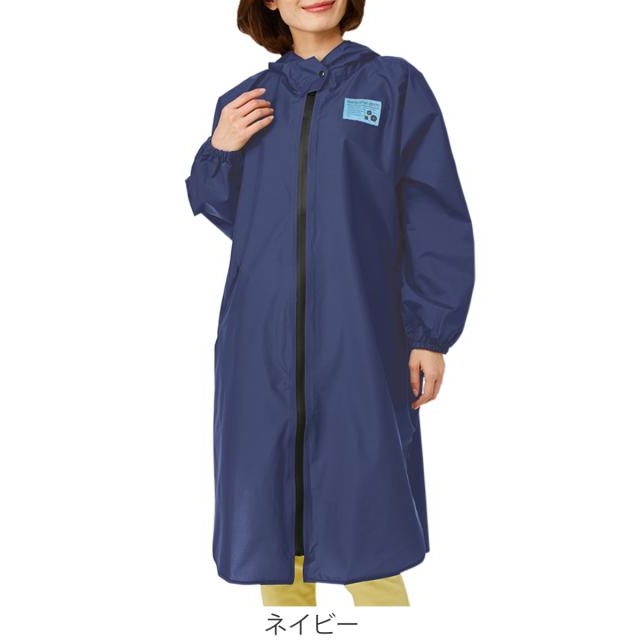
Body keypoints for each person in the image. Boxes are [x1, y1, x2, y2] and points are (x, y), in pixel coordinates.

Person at [185, 0, 475, 607]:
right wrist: (219, 148)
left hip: (361, 336)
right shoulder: (246, 100)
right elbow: (235, 215)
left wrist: (430, 333)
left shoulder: (393, 85)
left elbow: (432, 211)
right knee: (273, 533)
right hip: (259, 343)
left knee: (369, 530)